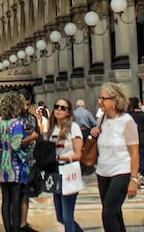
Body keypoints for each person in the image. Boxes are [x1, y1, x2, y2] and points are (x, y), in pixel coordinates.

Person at [92, 82, 140, 232]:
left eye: (103, 98)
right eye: (100, 98)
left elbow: (134, 153)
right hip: (103, 171)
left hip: (121, 171)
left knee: (108, 213)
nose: (100, 102)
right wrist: (94, 132)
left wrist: (133, 179)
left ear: (114, 101)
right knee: (115, 212)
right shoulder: (101, 119)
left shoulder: (127, 121)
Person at [0, 91, 29, 232]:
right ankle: (16, 229)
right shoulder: (17, 124)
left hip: (3, 167)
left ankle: (7, 229)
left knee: (5, 200)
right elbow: (17, 144)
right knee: (16, 199)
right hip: (16, 166)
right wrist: (24, 156)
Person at [49, 98, 85, 232]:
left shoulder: (73, 128)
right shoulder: (53, 128)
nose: (58, 110)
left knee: (67, 215)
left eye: (63, 108)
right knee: (60, 216)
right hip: (55, 172)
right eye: (56, 106)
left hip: (69, 170)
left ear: (69, 112)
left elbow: (78, 155)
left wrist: (60, 157)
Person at [19, 96, 41, 232]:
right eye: (23, 104)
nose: (26, 108)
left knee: (26, 191)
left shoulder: (32, 118)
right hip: (17, 159)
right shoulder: (14, 119)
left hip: (31, 158)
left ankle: (23, 222)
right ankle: (17, 221)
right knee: (17, 193)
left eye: (28, 104)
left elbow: (36, 134)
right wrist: (30, 136)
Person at [128, 97, 144, 187]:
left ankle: (134, 176)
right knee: (141, 158)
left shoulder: (128, 115)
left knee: (132, 158)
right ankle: (141, 176)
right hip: (142, 138)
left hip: (131, 138)